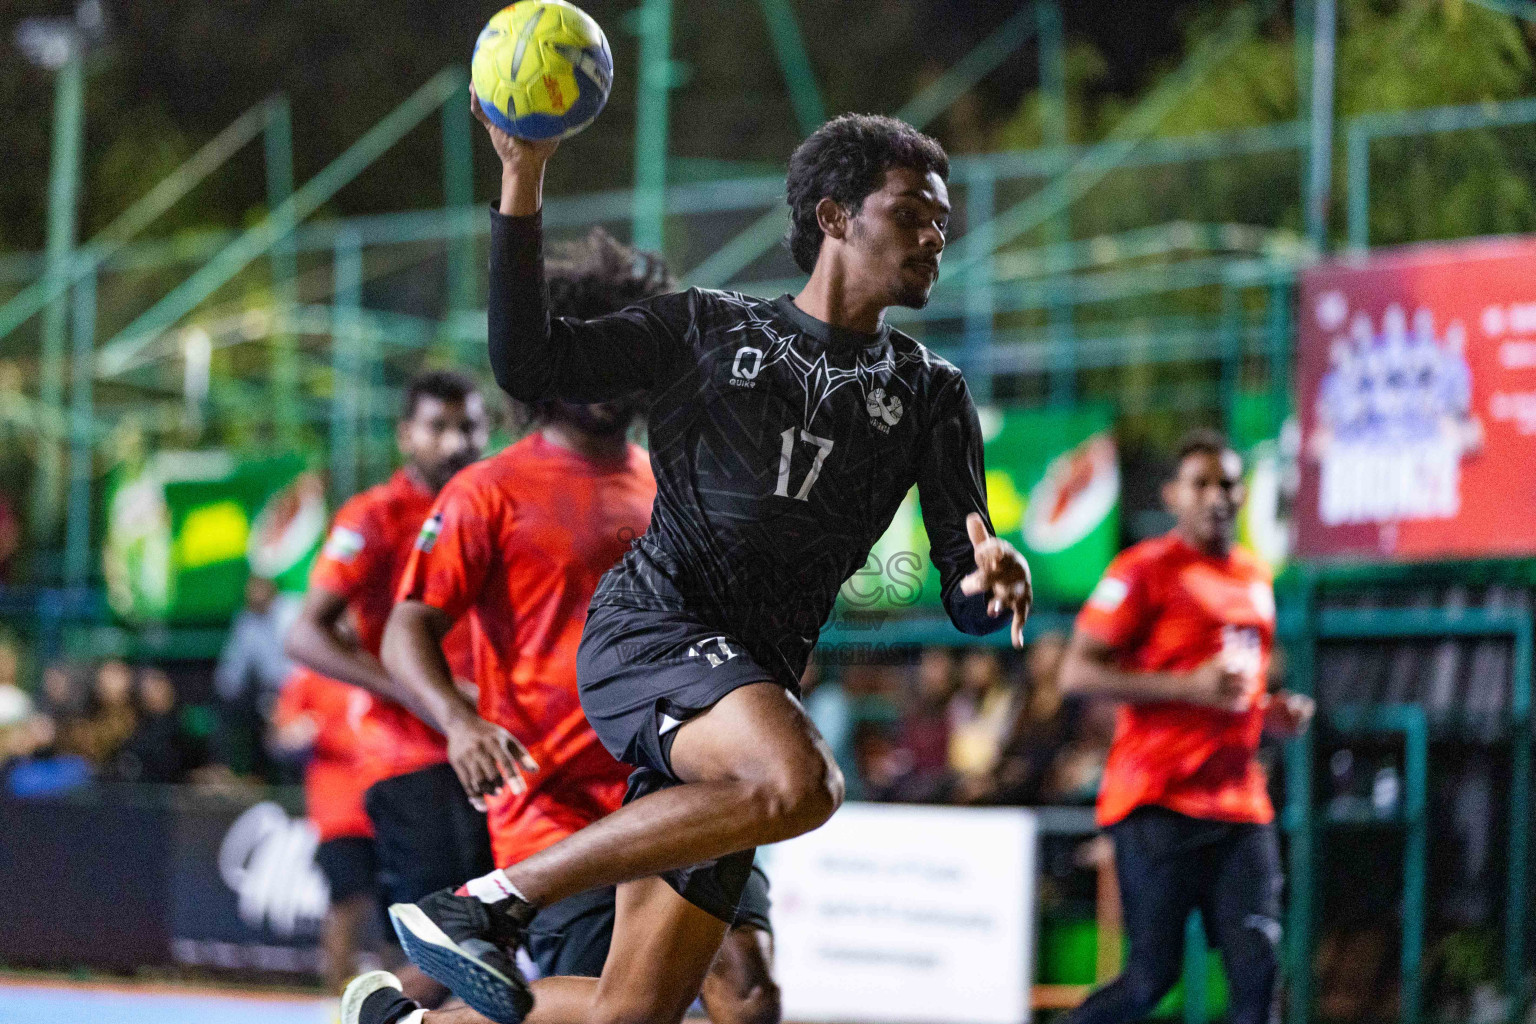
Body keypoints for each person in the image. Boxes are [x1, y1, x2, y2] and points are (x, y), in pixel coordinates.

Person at [366, 102, 1031, 1024]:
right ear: (836, 217)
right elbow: (528, 361)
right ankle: (484, 902)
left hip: (736, 689)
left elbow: (970, 590)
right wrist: (522, 181)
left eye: (943, 225)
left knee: (632, 1013)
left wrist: (993, 578)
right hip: (652, 634)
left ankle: (417, 1023)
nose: (934, 238)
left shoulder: (931, 392)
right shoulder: (708, 331)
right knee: (803, 782)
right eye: (912, 214)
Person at [1053, 429, 1315, 1024]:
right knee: (1151, 981)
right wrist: (1185, 687)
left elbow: (1235, 685)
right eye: (1201, 484)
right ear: (1173, 495)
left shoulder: (1254, 576)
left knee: (1259, 974)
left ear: (1244, 495)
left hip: (1239, 806)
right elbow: (1075, 673)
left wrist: (1269, 711)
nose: (1216, 496)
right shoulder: (1144, 570)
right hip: (1158, 803)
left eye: (1228, 483)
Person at [286, 369, 492, 1007]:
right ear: (406, 434)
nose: (456, 440)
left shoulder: (493, 506)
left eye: (469, 426)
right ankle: (374, 1013)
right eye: (439, 426)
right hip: (410, 761)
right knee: (439, 952)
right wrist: (416, 689)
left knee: (492, 950)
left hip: (495, 753)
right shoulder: (374, 516)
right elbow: (304, 635)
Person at [272, 663, 381, 994]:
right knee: (348, 903)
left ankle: (396, 998)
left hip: (387, 804)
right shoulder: (311, 676)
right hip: (340, 813)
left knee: (395, 907)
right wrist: (298, 735)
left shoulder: (382, 662)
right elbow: (281, 737)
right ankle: (337, 997)